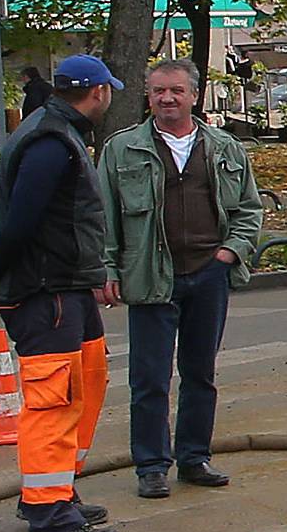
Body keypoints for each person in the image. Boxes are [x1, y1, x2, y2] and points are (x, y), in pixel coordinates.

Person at [0, 54, 122, 532]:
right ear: (98, 93)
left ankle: (53, 492)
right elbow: (22, 223)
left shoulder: (58, 132)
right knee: (53, 399)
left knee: (87, 380)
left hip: (67, 285)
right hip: (44, 289)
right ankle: (50, 515)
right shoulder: (51, 142)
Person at [99, 58, 264, 499]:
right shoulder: (123, 149)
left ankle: (194, 457)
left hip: (207, 275)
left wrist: (229, 252)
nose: (166, 99)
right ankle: (151, 466)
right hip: (151, 275)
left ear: (194, 95)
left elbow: (249, 209)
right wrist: (108, 269)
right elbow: (104, 217)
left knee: (200, 372)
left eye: (175, 91)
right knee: (149, 377)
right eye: (157, 92)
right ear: (148, 97)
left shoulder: (225, 147)